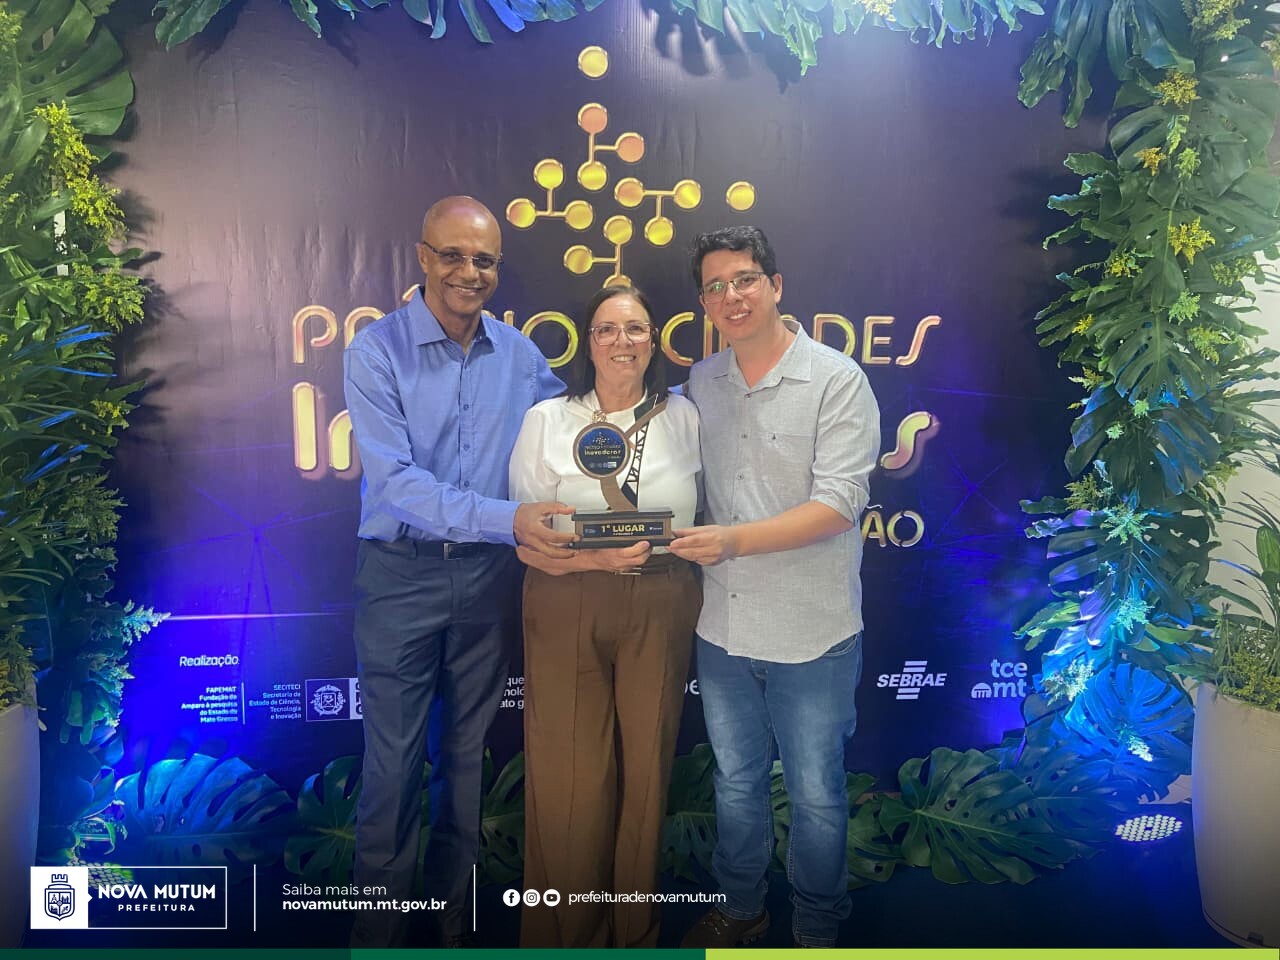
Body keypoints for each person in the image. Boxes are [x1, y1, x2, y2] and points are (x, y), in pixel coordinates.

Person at [343, 196, 575, 948]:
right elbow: (397, 485)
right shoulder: (375, 351)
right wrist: (509, 518)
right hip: (399, 577)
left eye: (484, 260)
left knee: (467, 768)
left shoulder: (520, 355)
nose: (468, 272)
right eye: (452, 255)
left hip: (487, 582)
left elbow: (576, 431)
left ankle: (451, 938)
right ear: (422, 256)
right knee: (391, 774)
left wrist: (659, 415)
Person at [669, 226, 880, 949]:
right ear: (704, 302)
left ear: (776, 285)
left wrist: (732, 541)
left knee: (816, 793)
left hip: (812, 628)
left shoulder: (837, 380)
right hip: (723, 628)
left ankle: (817, 925)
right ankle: (742, 908)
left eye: (745, 280)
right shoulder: (701, 384)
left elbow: (839, 505)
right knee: (735, 781)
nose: (731, 296)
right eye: (715, 286)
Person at [508, 284, 703, 948]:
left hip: (662, 600)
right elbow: (529, 536)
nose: (623, 341)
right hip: (567, 599)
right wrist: (590, 559)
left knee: (647, 775)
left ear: (654, 341)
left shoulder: (685, 416)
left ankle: (635, 937)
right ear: (587, 343)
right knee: (571, 780)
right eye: (607, 329)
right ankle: (569, 938)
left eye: (636, 328)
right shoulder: (548, 419)